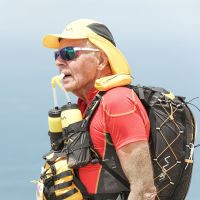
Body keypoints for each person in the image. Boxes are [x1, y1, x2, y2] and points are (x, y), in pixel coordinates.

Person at [43, 19, 157, 200]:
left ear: (101, 60)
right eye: (57, 54)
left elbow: (144, 191)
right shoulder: (87, 105)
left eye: (69, 53)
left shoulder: (117, 103)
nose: (59, 62)